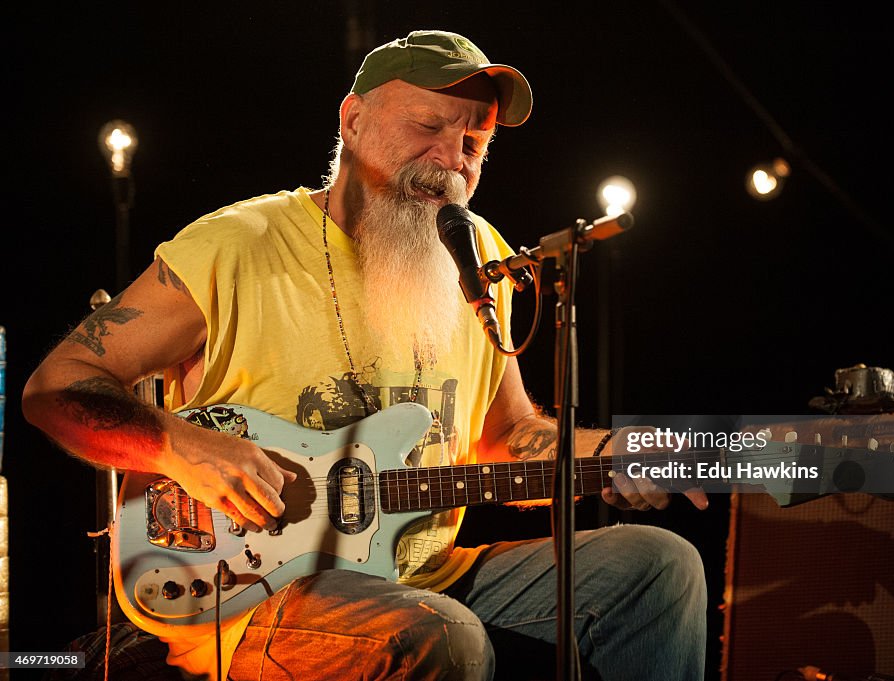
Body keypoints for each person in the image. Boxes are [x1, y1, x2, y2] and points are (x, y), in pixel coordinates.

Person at [23, 30, 708, 680]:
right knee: (441, 633)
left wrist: (612, 451)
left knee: (660, 563)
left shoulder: (478, 259)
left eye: (475, 138)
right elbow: (57, 387)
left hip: (423, 580)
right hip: (252, 591)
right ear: (352, 120)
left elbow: (505, 435)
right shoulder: (237, 245)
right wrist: (179, 447)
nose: (454, 156)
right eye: (429, 125)